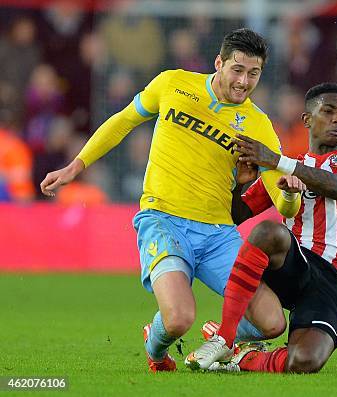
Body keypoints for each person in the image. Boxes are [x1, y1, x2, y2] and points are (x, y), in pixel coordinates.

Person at [40, 29, 302, 372]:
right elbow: (124, 120)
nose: (243, 81)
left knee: (272, 323)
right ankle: (156, 346)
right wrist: (78, 164)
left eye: (253, 74)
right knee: (178, 319)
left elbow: (281, 203)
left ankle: (219, 337)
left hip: (218, 233)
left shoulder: (258, 125)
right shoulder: (173, 84)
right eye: (237, 70)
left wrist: (291, 195)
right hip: (163, 219)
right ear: (219, 63)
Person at [185, 82, 337, 373]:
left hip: (336, 277)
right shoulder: (288, 166)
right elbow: (236, 214)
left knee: (304, 362)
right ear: (307, 120)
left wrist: (277, 161)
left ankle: (244, 358)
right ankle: (225, 337)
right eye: (328, 111)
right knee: (269, 232)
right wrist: (240, 184)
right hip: (294, 264)